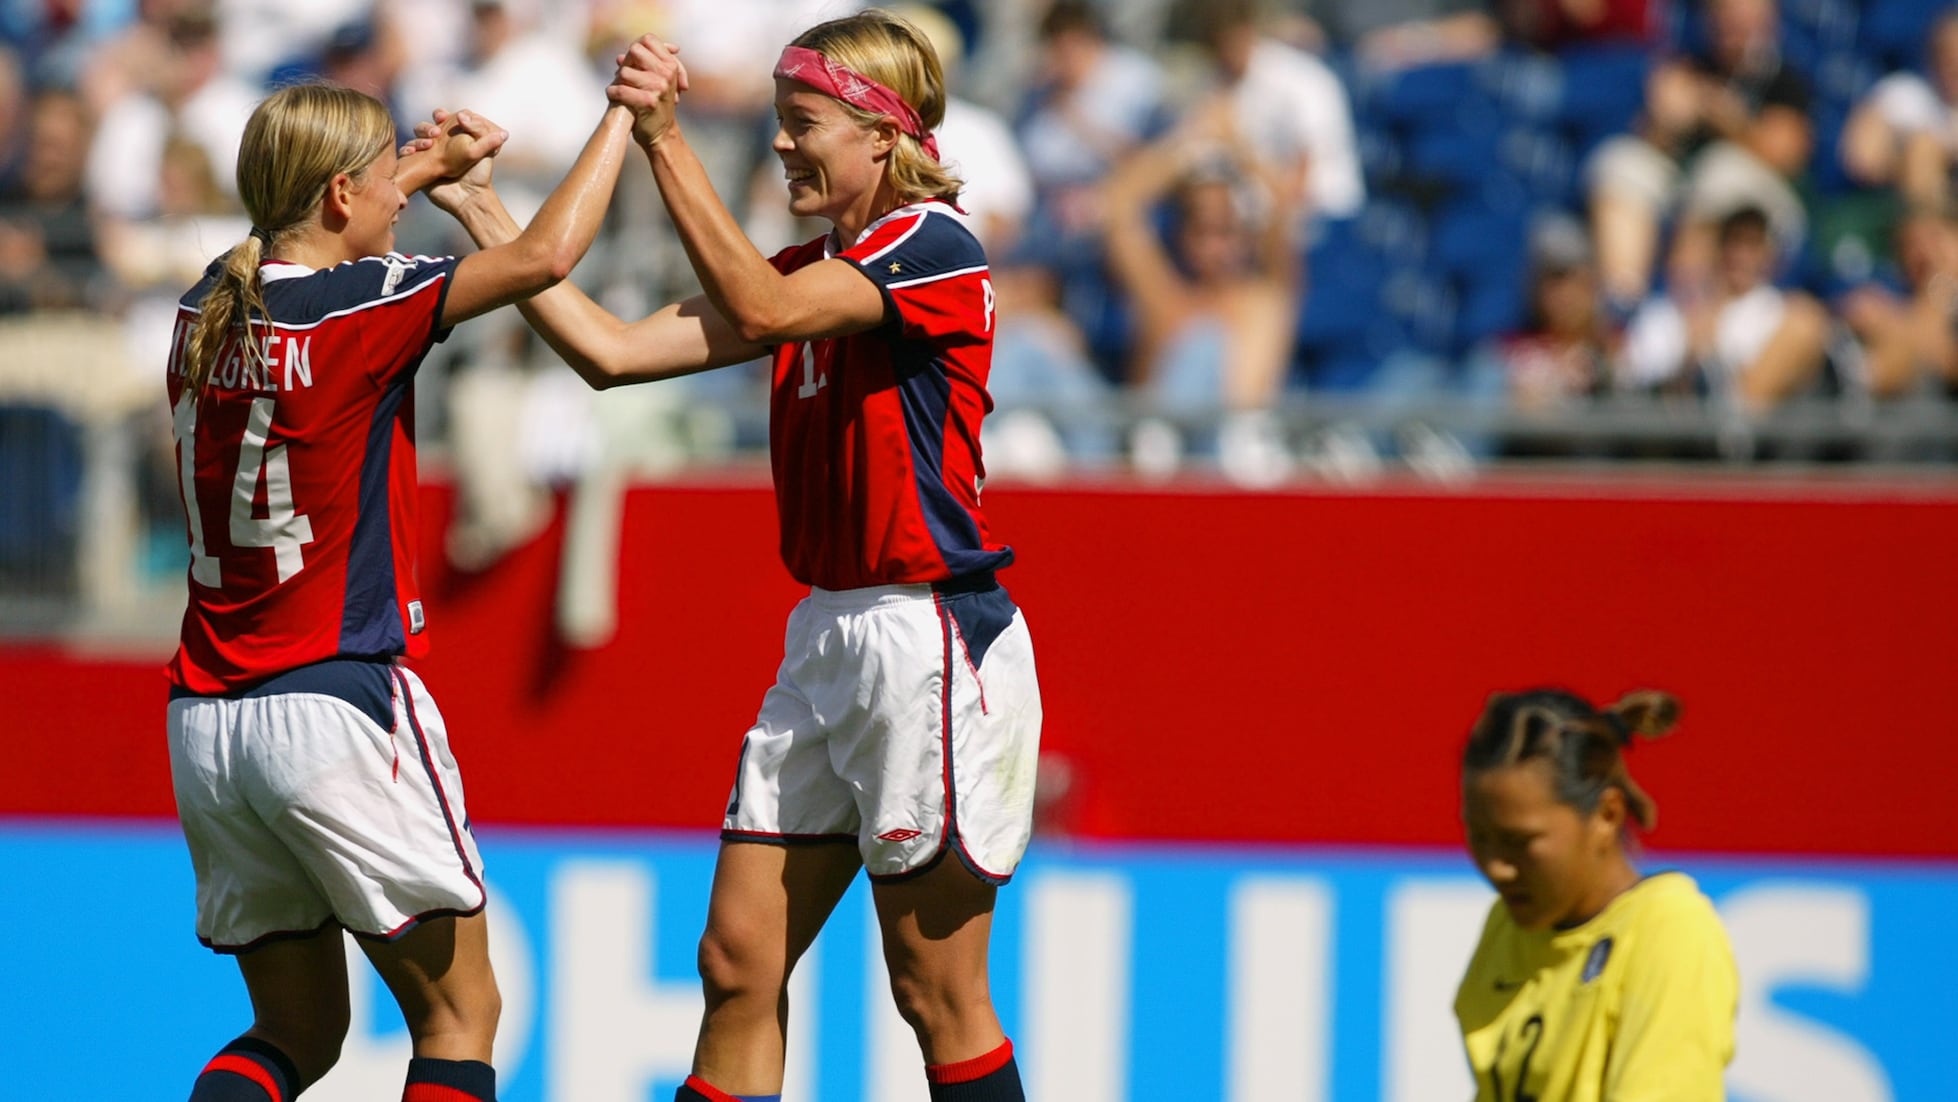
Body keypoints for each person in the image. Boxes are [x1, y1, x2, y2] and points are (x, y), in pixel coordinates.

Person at [421, 11, 1042, 1100]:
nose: (783, 145)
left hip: (928, 636)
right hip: (829, 636)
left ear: (881, 136)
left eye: (803, 124)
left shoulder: (930, 245)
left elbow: (758, 303)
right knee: (735, 965)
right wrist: (480, 207)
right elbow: (608, 354)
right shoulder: (810, 269)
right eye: (776, 123)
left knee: (932, 991)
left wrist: (664, 138)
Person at [164, 81, 636, 1102]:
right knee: (462, 1016)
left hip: (207, 719)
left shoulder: (206, 302)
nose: (399, 191)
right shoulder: (362, 305)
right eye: (386, 175)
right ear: (340, 193)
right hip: (331, 702)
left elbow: (318, 227)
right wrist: (624, 121)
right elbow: (547, 256)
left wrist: (421, 167)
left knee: (293, 1031)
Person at [1455, 688, 1739, 1101]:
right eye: (1479, 836)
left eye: (1519, 841)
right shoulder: (1504, 926)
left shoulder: (1669, 929)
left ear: (1607, 815)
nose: (1496, 865)